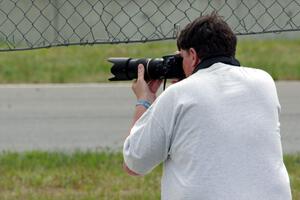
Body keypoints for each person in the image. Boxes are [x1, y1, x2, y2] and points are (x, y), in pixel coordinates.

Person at [122, 13, 292, 200]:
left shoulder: (178, 94)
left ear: (193, 56)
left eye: (182, 57)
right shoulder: (264, 82)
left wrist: (145, 100)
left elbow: (134, 163)